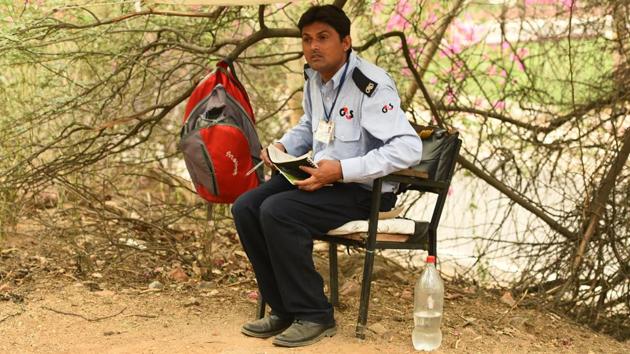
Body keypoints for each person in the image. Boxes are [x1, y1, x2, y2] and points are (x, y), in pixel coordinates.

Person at [231, 4, 422, 348]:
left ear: (346, 42)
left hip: (362, 189)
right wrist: (281, 146)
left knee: (278, 211)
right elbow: (311, 126)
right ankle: (285, 309)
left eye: (323, 38)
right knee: (245, 207)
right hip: (319, 178)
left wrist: (343, 170)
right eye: (306, 39)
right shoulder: (314, 79)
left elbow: (408, 148)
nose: (313, 46)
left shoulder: (371, 85)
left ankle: (315, 314)